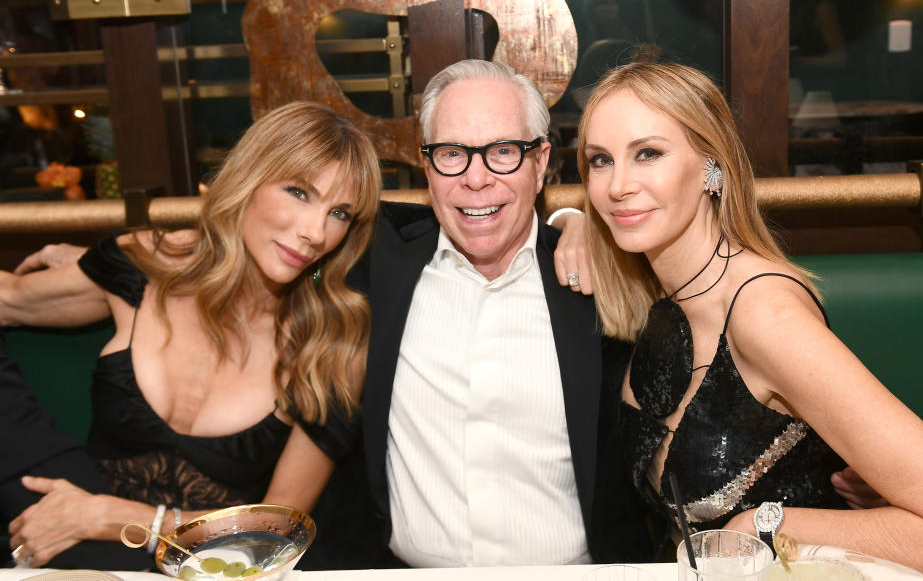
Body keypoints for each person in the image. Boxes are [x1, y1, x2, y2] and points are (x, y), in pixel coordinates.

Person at [576, 60, 923, 574]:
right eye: (600, 160)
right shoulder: (656, 291)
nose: (618, 185)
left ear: (711, 165)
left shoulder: (765, 315)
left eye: (648, 154)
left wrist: (759, 525)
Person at [300, 59, 650, 569]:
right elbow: (279, 229)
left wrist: (575, 220)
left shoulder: (603, 278)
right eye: (452, 154)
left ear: (540, 161)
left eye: (504, 152)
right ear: (427, 166)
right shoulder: (376, 260)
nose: (476, 178)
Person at [0, 101, 382, 568]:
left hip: (202, 568)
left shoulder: (331, 347)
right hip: (65, 546)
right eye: (299, 192)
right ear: (249, 178)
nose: (315, 232)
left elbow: (276, 533)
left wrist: (108, 517)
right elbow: (12, 297)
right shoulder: (142, 268)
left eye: (340, 213)